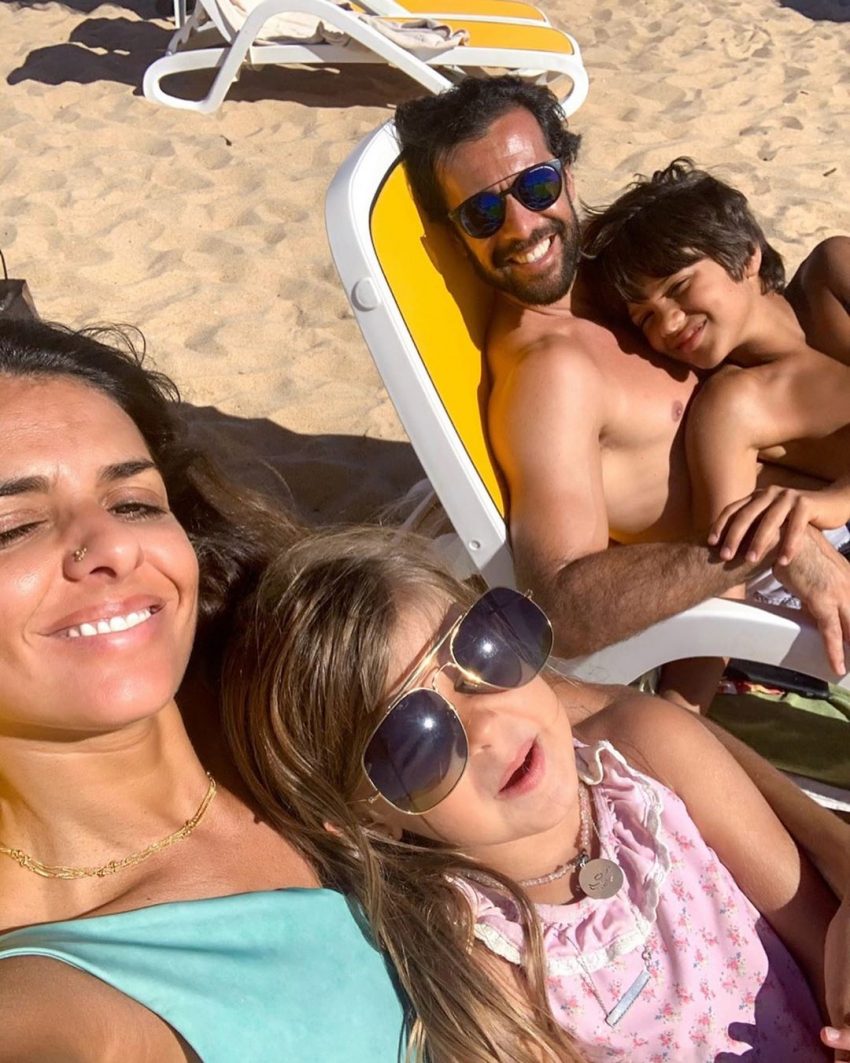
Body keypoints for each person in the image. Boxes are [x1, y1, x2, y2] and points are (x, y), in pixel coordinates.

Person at [220, 525, 849, 1062]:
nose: (488, 724)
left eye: (482, 650)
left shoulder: (654, 756)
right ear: (363, 816)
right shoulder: (480, 963)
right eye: (414, 740)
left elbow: (823, 938)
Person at [0, 318, 407, 1061]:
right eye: (13, 527)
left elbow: (598, 719)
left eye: (133, 503)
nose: (114, 544)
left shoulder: (303, 694)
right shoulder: (46, 990)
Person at [393, 76, 850, 689]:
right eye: (482, 213)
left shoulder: (623, 281)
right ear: (456, 235)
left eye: (535, 186)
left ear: (568, 177)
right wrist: (766, 544)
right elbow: (560, 607)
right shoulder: (552, 375)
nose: (521, 227)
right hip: (795, 587)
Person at [581, 159, 850, 564]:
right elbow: (723, 567)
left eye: (679, 286)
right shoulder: (735, 407)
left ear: (746, 254)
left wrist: (836, 501)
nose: (669, 324)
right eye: (646, 318)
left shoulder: (832, 275)